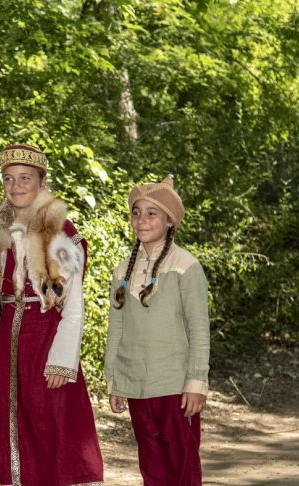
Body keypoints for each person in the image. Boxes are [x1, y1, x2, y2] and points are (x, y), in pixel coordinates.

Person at [0, 144, 104, 486]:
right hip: (4, 348)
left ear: (42, 182)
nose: (16, 186)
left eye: (25, 178)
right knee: (11, 441)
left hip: (45, 346)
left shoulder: (62, 233)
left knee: (49, 435)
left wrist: (61, 362)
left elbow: (74, 307)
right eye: (8, 178)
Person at [104, 176, 210, 486]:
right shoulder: (123, 270)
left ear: (170, 220)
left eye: (152, 213)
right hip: (136, 382)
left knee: (181, 465)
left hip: (175, 385)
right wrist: (114, 380)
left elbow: (199, 328)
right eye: (136, 212)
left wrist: (196, 382)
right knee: (151, 466)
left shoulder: (185, 266)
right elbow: (117, 326)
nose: (142, 220)